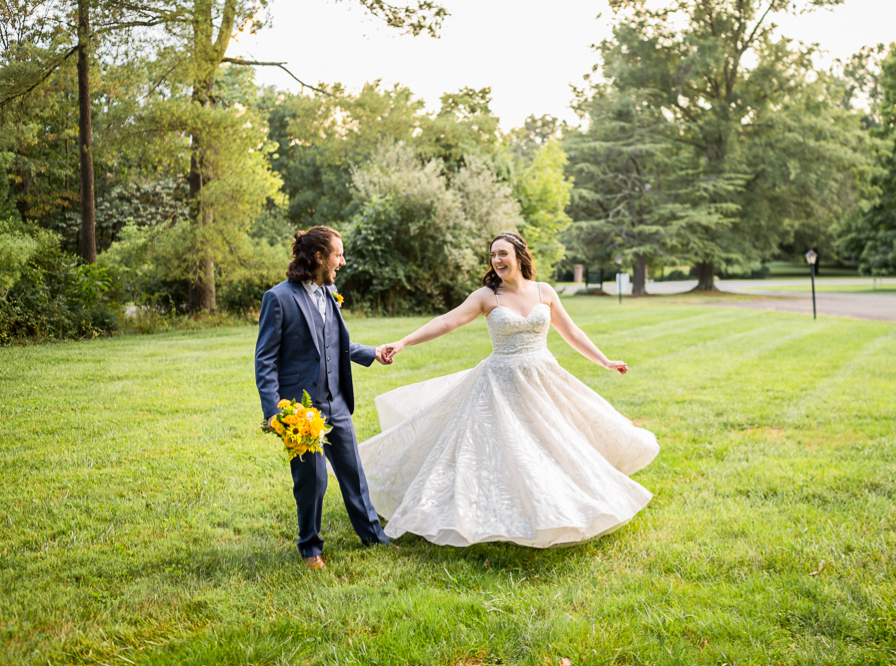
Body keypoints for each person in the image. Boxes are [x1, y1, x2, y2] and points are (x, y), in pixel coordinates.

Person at [361, 232, 659, 548]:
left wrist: (605, 361)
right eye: (493, 255)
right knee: (503, 449)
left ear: (519, 255)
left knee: (553, 444)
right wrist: (404, 342)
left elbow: (571, 332)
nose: (497, 260)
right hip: (499, 383)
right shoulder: (487, 296)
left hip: (542, 378)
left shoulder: (544, 291)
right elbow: (447, 321)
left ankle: (556, 506)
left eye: (503, 253)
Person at [254, 226, 393, 570]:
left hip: (336, 402)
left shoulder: (329, 293)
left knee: (353, 475)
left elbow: (334, 344)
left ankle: (374, 538)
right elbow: (265, 358)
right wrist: (274, 411)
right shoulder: (279, 297)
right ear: (318, 257)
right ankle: (310, 548)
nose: (342, 262)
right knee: (312, 481)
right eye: (337, 255)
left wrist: (371, 352)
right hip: (301, 409)